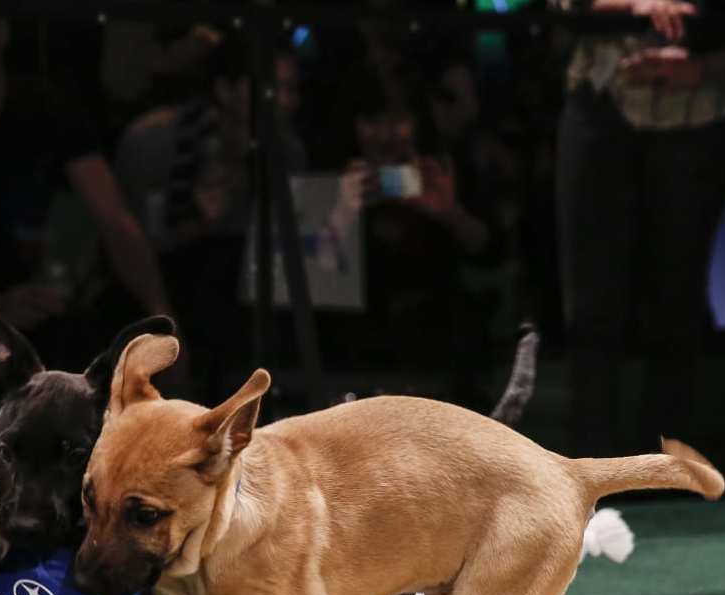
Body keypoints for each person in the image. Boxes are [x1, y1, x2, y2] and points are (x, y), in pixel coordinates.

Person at [0, 14, 173, 373]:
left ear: (1, 32)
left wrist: (161, 315)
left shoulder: (49, 108)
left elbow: (114, 219)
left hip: (54, 321)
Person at [554, 0, 725, 452]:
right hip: (602, 106)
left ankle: (664, 468)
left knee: (676, 302)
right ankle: (587, 468)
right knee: (592, 305)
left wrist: (703, 67)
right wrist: (641, 4)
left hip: (697, 116)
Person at [112, 37, 302, 402]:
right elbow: (129, 242)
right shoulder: (155, 142)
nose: (285, 101)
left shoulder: (286, 151)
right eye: (272, 88)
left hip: (242, 305)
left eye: (292, 89)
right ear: (225, 89)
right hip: (158, 286)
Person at [328, 66, 502, 401]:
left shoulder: (442, 171)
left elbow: (492, 255)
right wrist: (341, 216)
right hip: (353, 358)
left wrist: (450, 214)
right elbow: (312, 286)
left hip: (438, 353)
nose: (385, 134)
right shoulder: (335, 178)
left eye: (398, 120)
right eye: (372, 121)